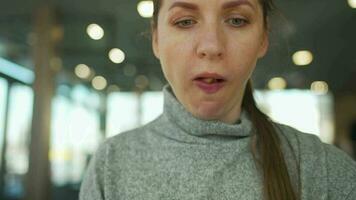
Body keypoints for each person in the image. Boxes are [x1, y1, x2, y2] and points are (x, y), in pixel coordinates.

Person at [79, 0, 356, 199]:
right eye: (185, 21)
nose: (211, 46)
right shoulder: (111, 165)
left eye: (237, 20)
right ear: (156, 39)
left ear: (263, 38)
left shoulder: (324, 170)